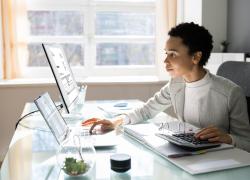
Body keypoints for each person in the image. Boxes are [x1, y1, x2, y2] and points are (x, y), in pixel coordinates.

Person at [88, 22, 250, 152]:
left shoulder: (231, 93)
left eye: (173, 54)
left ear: (196, 57)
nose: (166, 61)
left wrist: (228, 138)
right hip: (188, 155)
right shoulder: (176, 84)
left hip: (220, 162)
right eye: (166, 53)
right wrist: (117, 121)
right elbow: (147, 110)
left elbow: (247, 143)